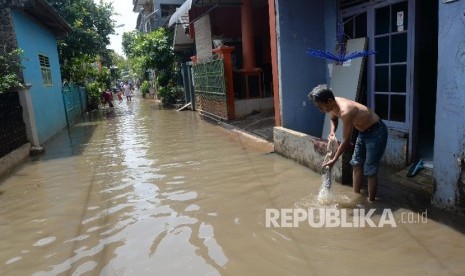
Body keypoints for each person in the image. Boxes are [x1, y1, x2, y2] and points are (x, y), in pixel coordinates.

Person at [308, 84, 388, 202]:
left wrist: (334, 160)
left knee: (370, 169)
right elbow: (333, 119)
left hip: (377, 132)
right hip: (363, 132)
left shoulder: (346, 110)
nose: (321, 110)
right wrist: (332, 132)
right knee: (356, 163)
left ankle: (371, 202)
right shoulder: (332, 105)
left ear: (329, 101)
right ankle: (356, 196)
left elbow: (346, 140)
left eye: (321, 107)